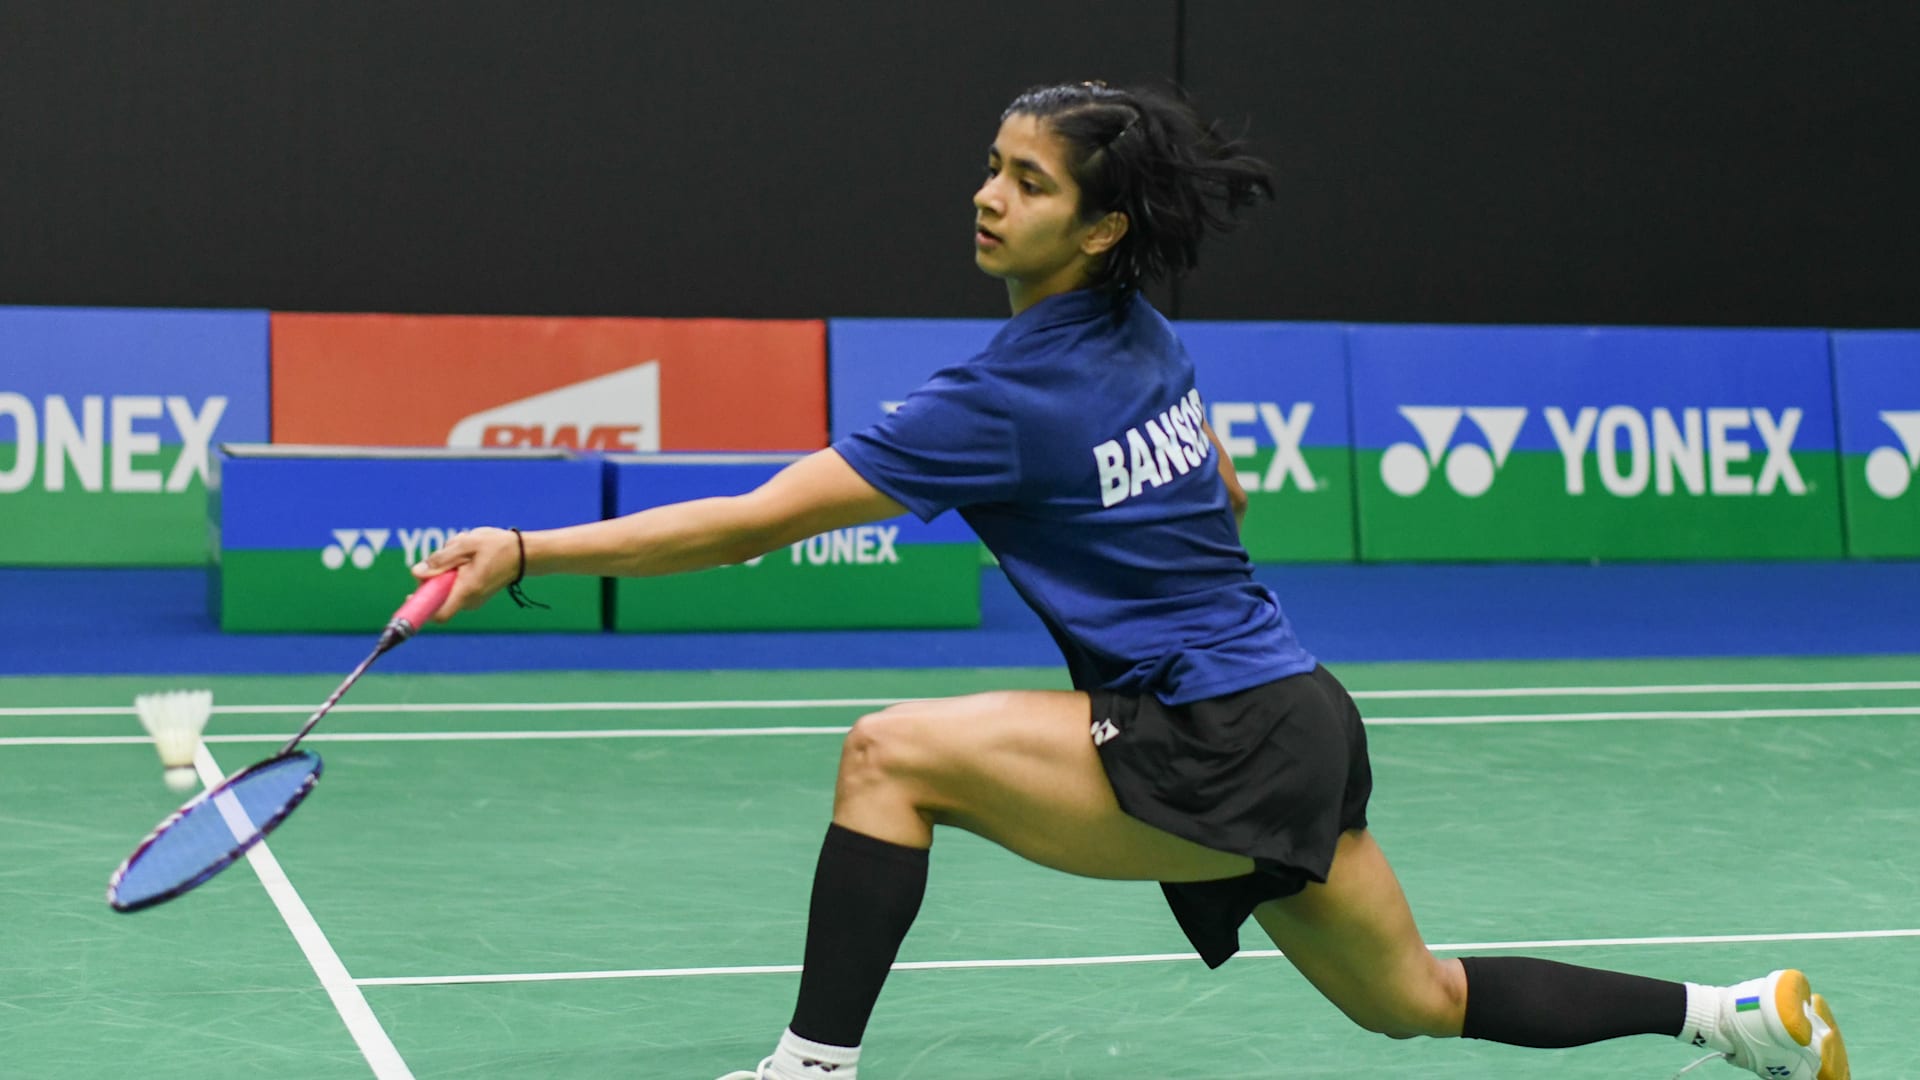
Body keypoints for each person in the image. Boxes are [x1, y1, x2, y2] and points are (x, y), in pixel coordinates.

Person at [412, 81, 1849, 1080]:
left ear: (1099, 228)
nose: (989, 196)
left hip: (1207, 733)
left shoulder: (1000, 399)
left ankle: (806, 1069)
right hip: (1297, 713)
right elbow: (1223, 483)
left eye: (1028, 182)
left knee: (889, 756)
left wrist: (526, 552)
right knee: (1416, 1000)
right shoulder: (1143, 331)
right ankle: (1733, 1016)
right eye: (992, 165)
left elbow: (746, 525)